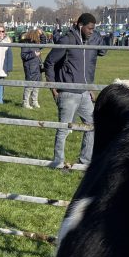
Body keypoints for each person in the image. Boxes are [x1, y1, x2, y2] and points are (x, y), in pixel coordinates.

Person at [42, 12, 98, 169]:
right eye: (90, 28)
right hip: (67, 93)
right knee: (64, 129)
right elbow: (49, 62)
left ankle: (84, 162)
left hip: (84, 93)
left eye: (93, 29)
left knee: (93, 125)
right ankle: (58, 161)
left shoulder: (86, 42)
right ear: (81, 26)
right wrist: (53, 88)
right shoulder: (67, 40)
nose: (92, 31)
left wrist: (89, 87)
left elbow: (85, 67)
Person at [19, 29, 42, 108]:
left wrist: (42, 34)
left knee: (37, 84)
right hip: (30, 67)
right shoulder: (26, 43)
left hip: (37, 66)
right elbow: (23, 56)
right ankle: (25, 102)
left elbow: (44, 42)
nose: (39, 37)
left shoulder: (36, 43)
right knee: (29, 85)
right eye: (38, 35)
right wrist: (34, 54)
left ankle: (34, 101)